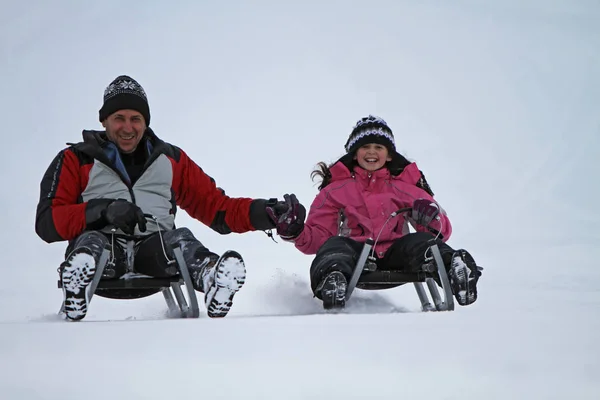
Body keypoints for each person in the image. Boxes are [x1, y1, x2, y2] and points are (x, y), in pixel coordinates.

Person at [35, 75, 302, 321]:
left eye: (135, 119)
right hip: (105, 251)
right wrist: (102, 211)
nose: (127, 127)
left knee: (180, 238)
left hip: (154, 252)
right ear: (104, 120)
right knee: (92, 242)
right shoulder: (75, 160)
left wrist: (266, 213)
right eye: (119, 117)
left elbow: (218, 209)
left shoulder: (171, 160)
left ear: (146, 122)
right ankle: (78, 282)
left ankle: (211, 277)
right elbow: (47, 222)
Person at [268, 115, 482, 310]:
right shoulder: (336, 191)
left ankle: (455, 271)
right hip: (355, 254)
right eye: (365, 147)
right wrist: (296, 231)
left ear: (389, 155)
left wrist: (431, 218)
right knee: (335, 246)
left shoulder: (405, 188)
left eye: (378, 147)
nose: (372, 152)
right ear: (354, 154)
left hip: (397, 254)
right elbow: (320, 238)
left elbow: (440, 231)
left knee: (423, 242)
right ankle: (332, 280)